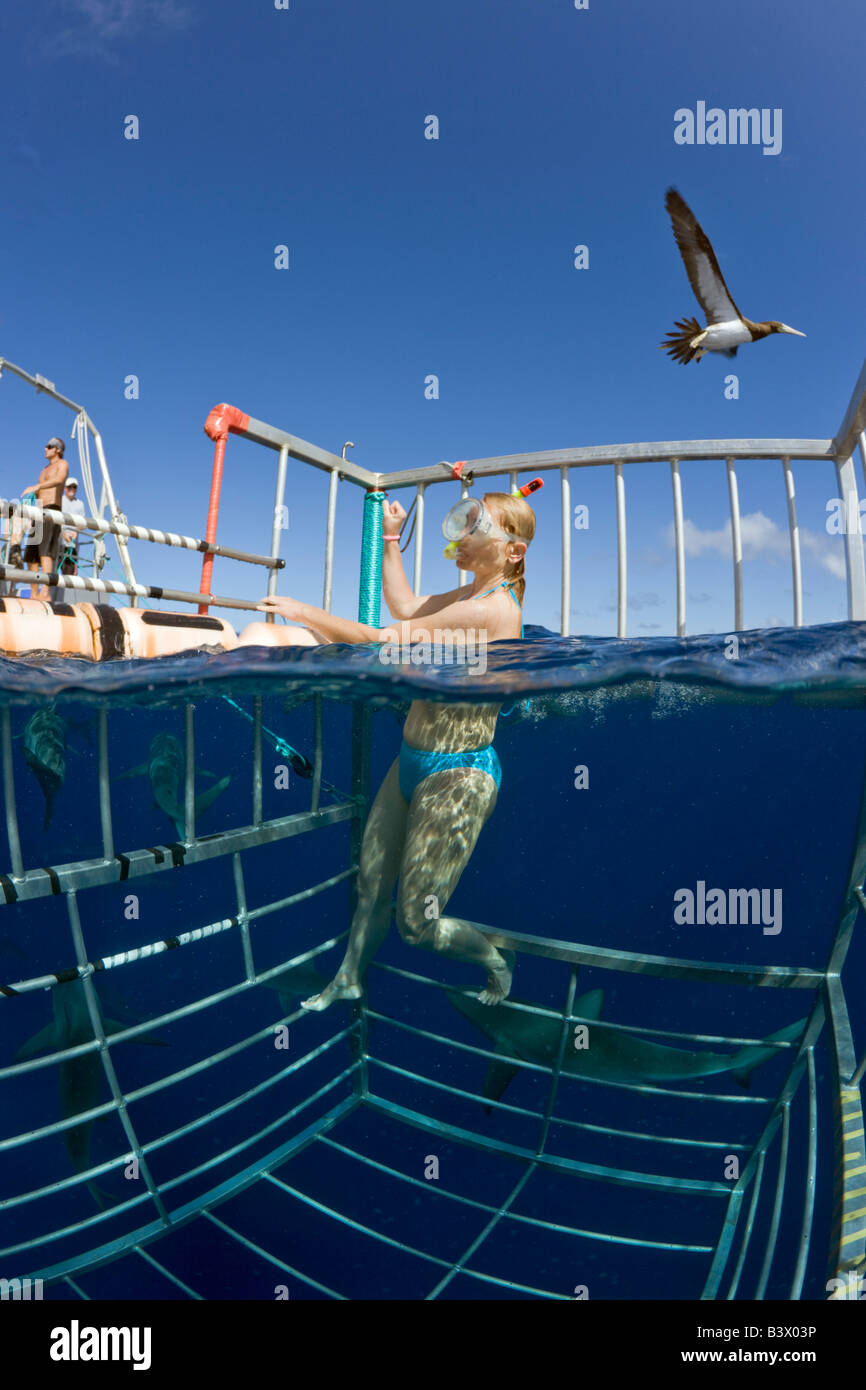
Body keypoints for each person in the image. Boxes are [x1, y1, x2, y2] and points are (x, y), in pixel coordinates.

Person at [257, 491, 535, 1008]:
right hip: (411, 760)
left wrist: (302, 611)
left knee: (417, 923)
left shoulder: (490, 610)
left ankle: (497, 961)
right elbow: (405, 606)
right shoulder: (464, 599)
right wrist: (390, 538)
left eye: (479, 528)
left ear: (512, 552)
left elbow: (382, 637)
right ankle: (349, 977)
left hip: (460, 774)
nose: (463, 536)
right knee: (370, 882)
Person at [21, 438, 68, 600]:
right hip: (38, 511)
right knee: (31, 555)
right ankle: (34, 594)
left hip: (52, 510)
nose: (45, 449)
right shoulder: (44, 469)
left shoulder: (63, 464)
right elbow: (37, 493)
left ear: (58, 450)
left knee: (46, 552)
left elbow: (60, 480)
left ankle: (45, 592)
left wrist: (38, 486)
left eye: (49, 447)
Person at [57, 476, 86, 601]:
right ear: (65, 488)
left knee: (69, 573)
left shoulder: (80, 504)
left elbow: (83, 523)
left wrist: (76, 532)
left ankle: (66, 600)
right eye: (69, 487)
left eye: (74, 487)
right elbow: (55, 519)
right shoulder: (60, 500)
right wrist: (63, 533)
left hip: (72, 546)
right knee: (54, 569)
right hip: (59, 543)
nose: (72, 489)